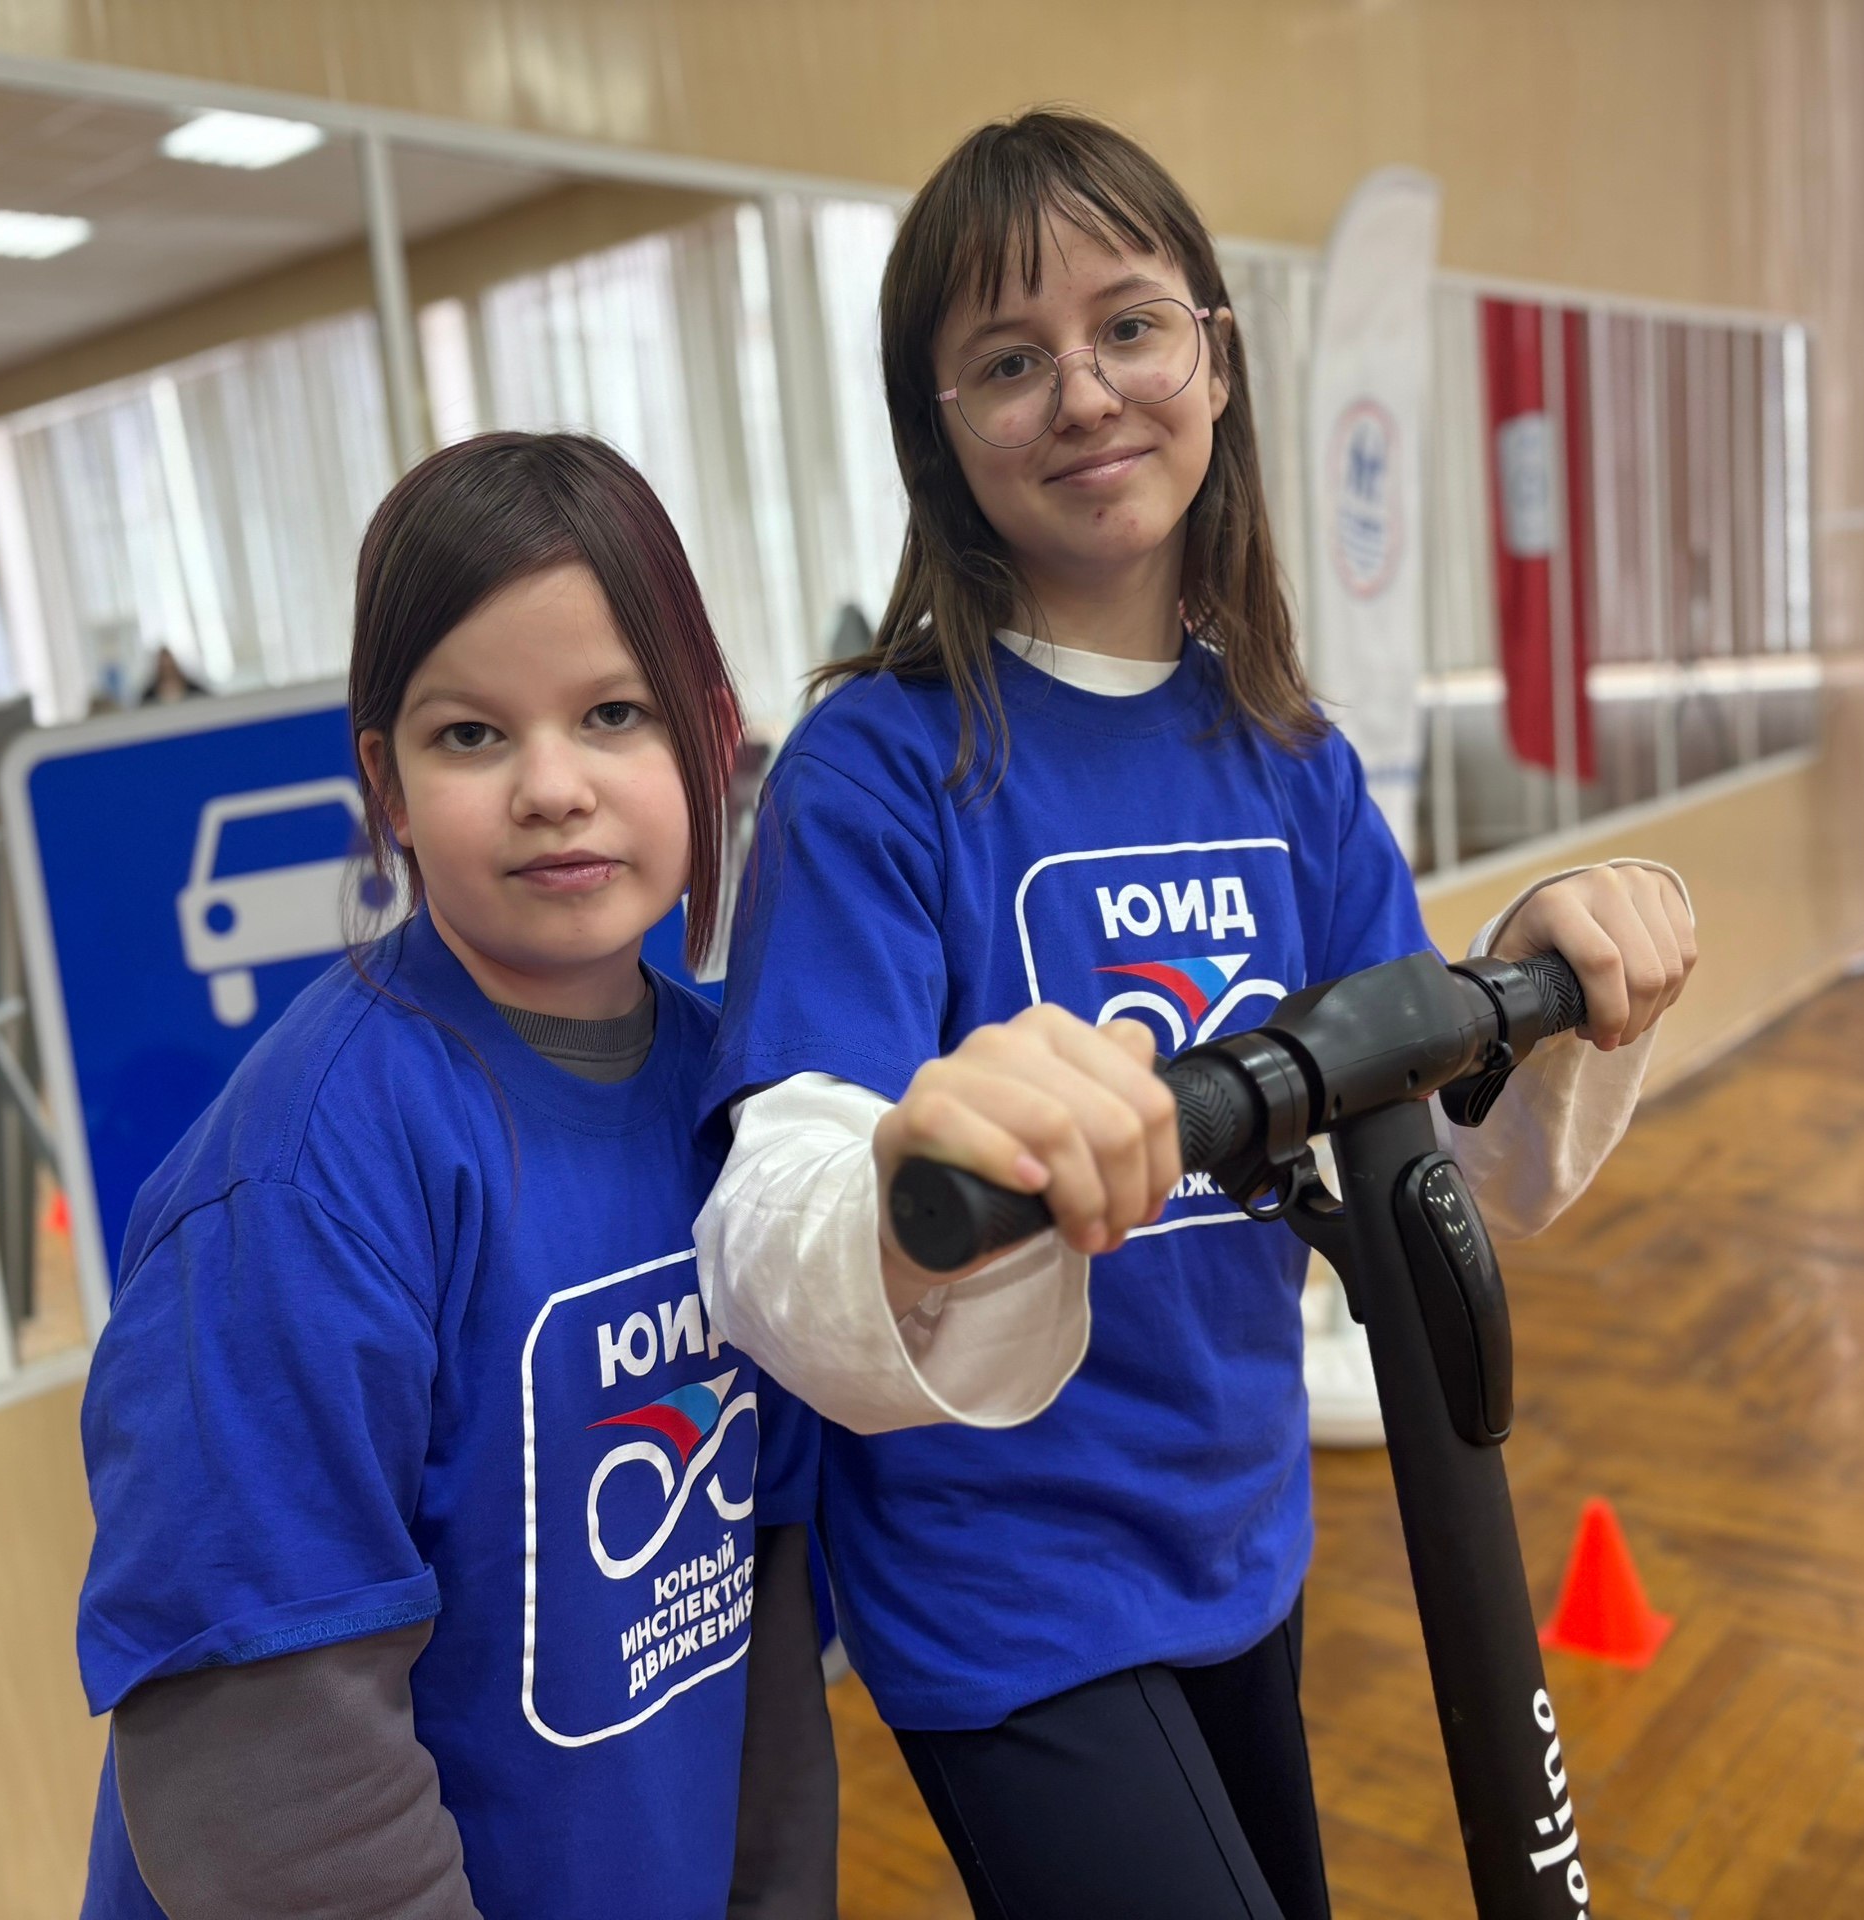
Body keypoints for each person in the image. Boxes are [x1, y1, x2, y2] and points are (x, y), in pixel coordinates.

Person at [695, 112, 1699, 1920]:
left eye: (1130, 326)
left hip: (1240, 1527)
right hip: (1007, 1586)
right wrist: (911, 1171)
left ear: (1215, 363)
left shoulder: (1291, 762)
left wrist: (1540, 974)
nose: (1083, 392)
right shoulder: (876, 770)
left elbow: (1432, 1146)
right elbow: (777, 1204)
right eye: (1011, 360)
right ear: (942, 430)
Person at [73, 433, 1167, 1919]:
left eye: (612, 714)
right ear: (386, 784)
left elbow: (760, 1620)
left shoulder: (739, 1113)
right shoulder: (299, 1183)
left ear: (712, 739)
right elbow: (267, 1765)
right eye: (472, 735)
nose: (553, 787)